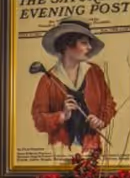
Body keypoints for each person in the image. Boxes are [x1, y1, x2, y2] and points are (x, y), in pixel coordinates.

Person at [31, 19, 117, 152]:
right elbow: (38, 120)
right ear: (67, 44)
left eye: (89, 43)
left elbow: (109, 103)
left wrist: (101, 120)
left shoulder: (94, 72)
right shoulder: (48, 79)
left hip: (92, 149)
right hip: (60, 150)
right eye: (84, 42)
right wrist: (62, 116)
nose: (89, 47)